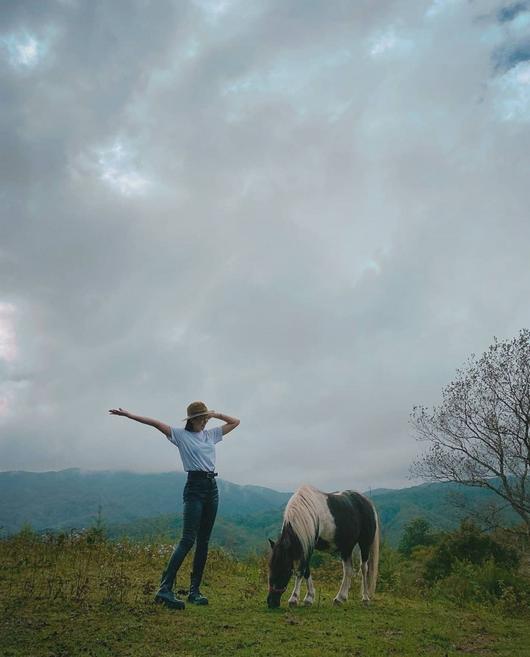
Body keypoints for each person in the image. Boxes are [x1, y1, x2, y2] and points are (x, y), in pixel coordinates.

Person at [109, 401, 240, 609]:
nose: (205, 421)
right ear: (192, 420)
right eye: (202, 418)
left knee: (204, 541)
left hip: (212, 488)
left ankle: (194, 591)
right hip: (195, 488)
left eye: (206, 418)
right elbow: (154, 423)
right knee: (188, 539)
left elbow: (236, 422)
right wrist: (130, 415)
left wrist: (215, 414)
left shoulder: (210, 434)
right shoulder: (180, 435)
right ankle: (164, 589)